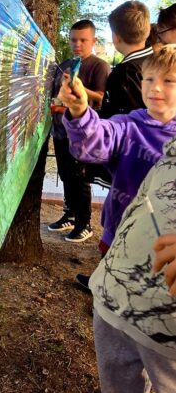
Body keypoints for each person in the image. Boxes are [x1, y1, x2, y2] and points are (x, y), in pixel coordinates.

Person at [87, 110, 176, 393]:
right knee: (122, 380)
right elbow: (97, 143)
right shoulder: (154, 134)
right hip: (153, 310)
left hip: (115, 293)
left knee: (120, 379)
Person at [57, 45, 176, 255]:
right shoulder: (128, 125)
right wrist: (79, 111)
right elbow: (93, 143)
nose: (155, 87)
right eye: (149, 79)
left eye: (168, 81)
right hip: (120, 235)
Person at [75, 0, 152, 291]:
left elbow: (124, 121)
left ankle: (111, 285)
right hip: (145, 166)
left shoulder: (126, 71)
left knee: (122, 223)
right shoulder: (151, 63)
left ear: (115, 36)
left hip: (130, 165)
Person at [48, 20, 110, 242]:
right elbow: (56, 95)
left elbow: (102, 98)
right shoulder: (65, 64)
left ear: (93, 41)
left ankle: (85, 223)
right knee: (65, 175)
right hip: (60, 130)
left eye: (83, 40)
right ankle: (70, 215)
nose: (78, 44)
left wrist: (81, 89)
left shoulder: (98, 66)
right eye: (74, 39)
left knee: (80, 178)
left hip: (82, 135)